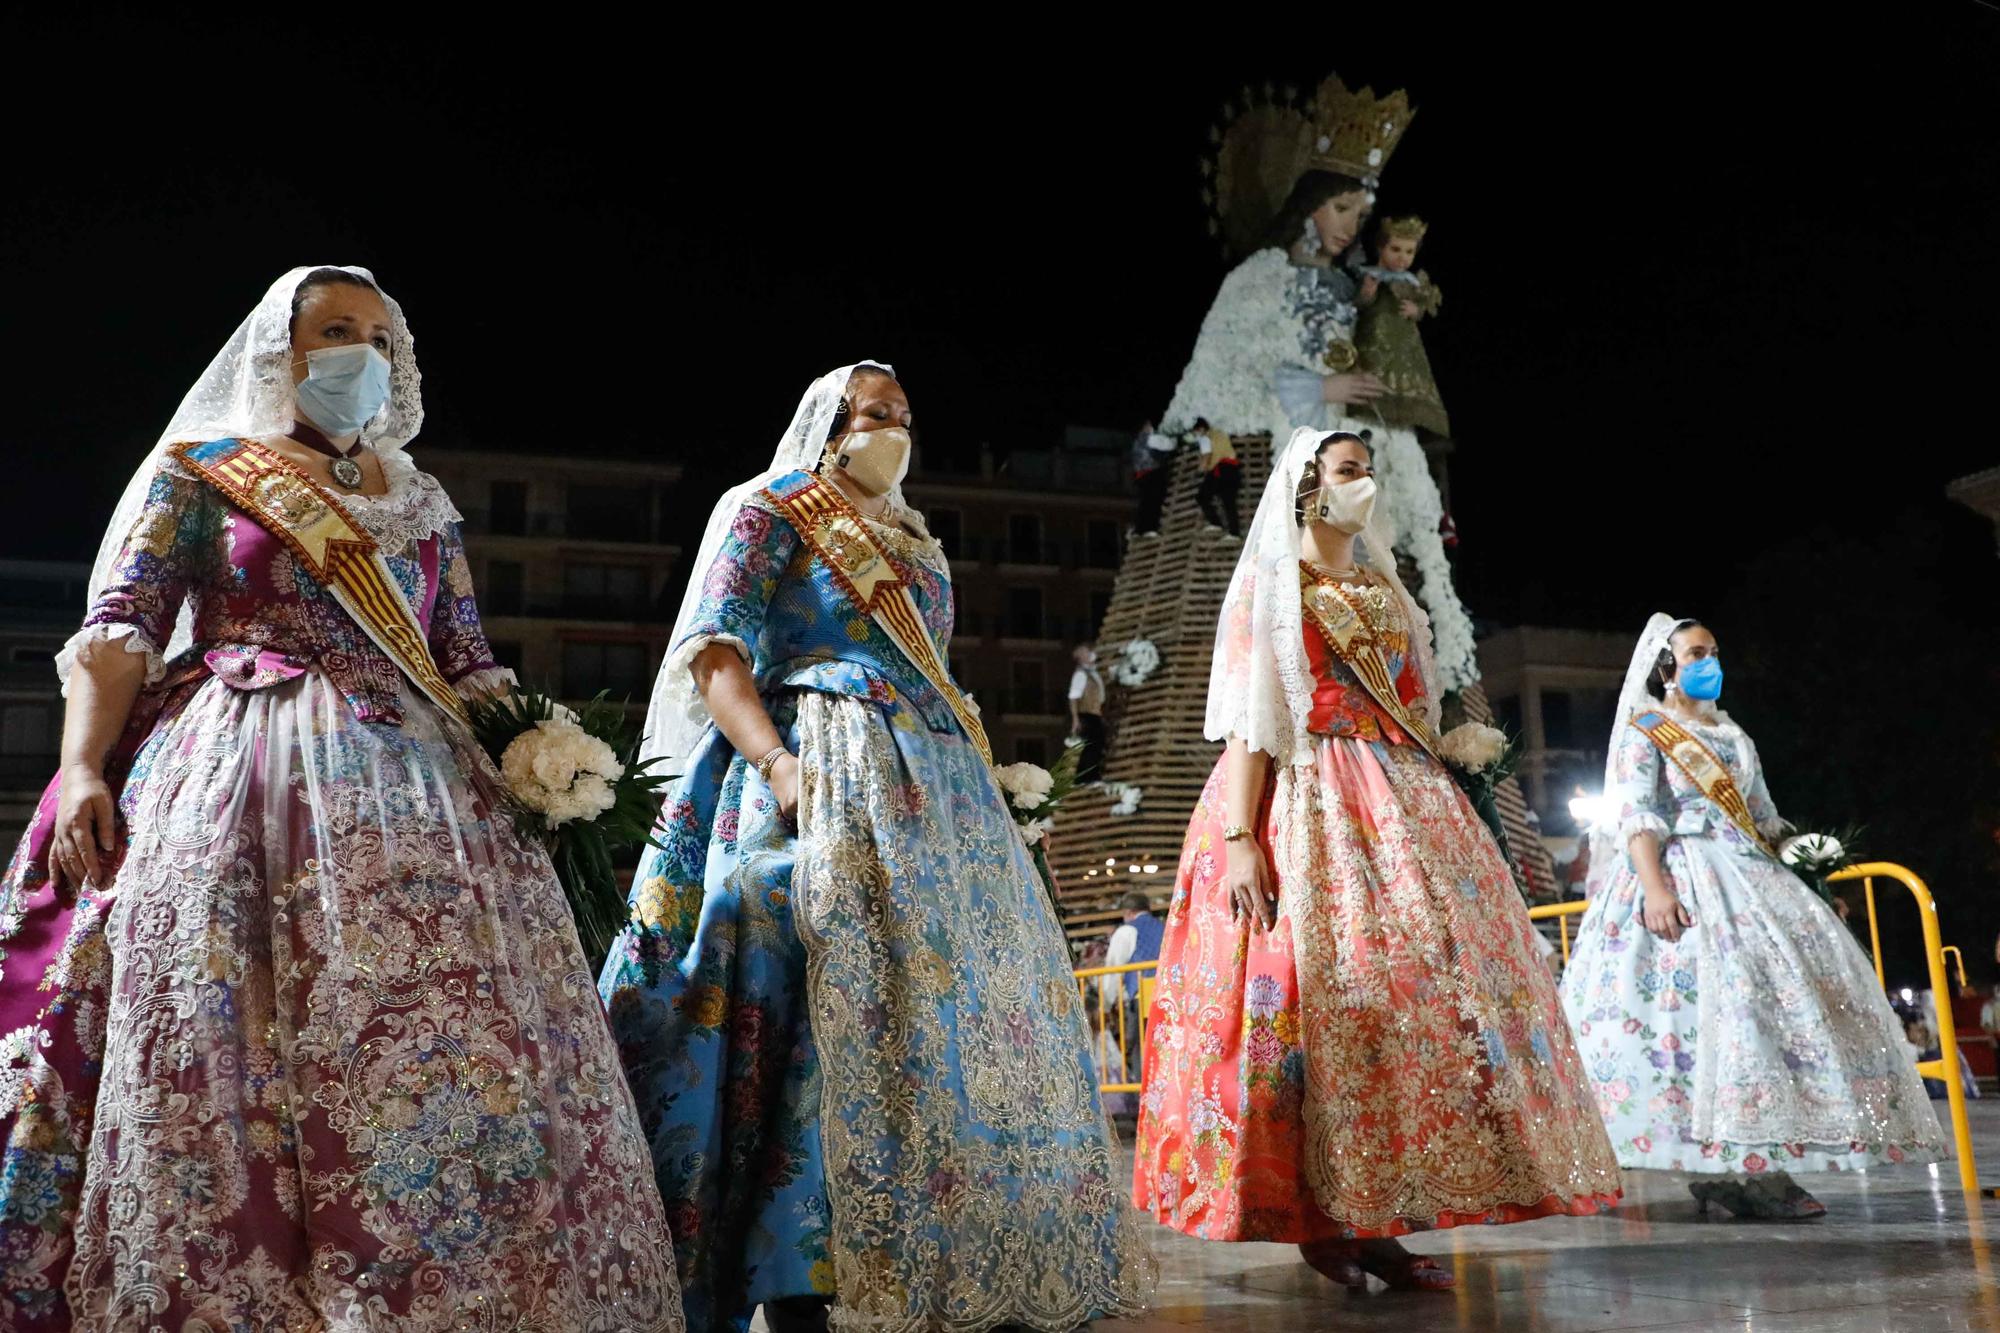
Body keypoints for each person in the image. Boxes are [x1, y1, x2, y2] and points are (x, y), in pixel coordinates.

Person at [0, 267, 682, 1330]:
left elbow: (461, 651)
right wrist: (84, 765)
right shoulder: (206, 474)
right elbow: (124, 620)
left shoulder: (418, 497)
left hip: (423, 781)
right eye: (334, 331)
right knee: (241, 1014)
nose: (358, 351)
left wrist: (539, 759)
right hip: (242, 761)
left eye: (375, 334)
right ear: (281, 349)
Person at [601, 363, 1153, 1333]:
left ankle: (948, 1242)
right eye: (871, 413)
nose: (890, 427)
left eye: (902, 414)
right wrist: (774, 762)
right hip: (809, 762)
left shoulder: (917, 544)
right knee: (808, 995)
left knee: (942, 1011)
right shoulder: (771, 507)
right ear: (828, 423)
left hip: (930, 794)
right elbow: (716, 653)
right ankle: (790, 1264)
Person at [1133, 429, 1620, 1291]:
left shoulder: (1382, 585)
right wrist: (1241, 840)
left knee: (1423, 1004)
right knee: (1329, 1004)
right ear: (1308, 490)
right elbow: (1253, 718)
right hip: (1307, 793)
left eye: (1368, 471)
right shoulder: (1275, 588)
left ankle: (1385, 1207)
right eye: (1348, 471)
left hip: (1403, 797)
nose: (1365, 484)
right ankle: (1325, 1217)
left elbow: (1411, 702)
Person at [1559, 615, 1942, 1219]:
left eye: (1713, 651)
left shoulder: (1735, 736)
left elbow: (1765, 817)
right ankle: (1733, 1170)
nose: (1710, 662)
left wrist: (1809, 875)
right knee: (1704, 1025)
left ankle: (1753, 1163)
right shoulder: (1647, 729)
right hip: (1687, 878)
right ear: (1666, 667)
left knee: (1765, 1022)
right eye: (1696, 653)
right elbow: (1636, 814)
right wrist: (1655, 889)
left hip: (1751, 877)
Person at [1189, 416, 1243, 539]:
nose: (1196, 435)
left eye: (1196, 432)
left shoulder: (1205, 438)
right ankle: (1234, 533)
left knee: (1201, 496)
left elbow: (1206, 456)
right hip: (1233, 469)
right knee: (1228, 501)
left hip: (1221, 469)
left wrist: (1200, 470)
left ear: (1201, 428)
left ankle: (1215, 523)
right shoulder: (1220, 434)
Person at [1068, 641, 1108, 780]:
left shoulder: (1093, 672)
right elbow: (1073, 697)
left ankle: (1091, 775)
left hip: (1095, 714)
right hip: (1086, 714)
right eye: (1086, 652)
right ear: (1081, 657)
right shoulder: (1080, 674)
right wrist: (1075, 719)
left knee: (1097, 744)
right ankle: (1085, 777)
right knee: (1091, 746)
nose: (1090, 653)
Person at [1130, 419, 1176, 537]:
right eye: (1149, 425)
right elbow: (1168, 445)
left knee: (1144, 502)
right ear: (1145, 427)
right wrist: (1174, 440)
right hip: (1152, 473)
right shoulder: (1150, 438)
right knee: (1154, 501)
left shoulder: (1136, 442)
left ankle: (1139, 529)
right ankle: (1150, 528)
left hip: (1140, 475)